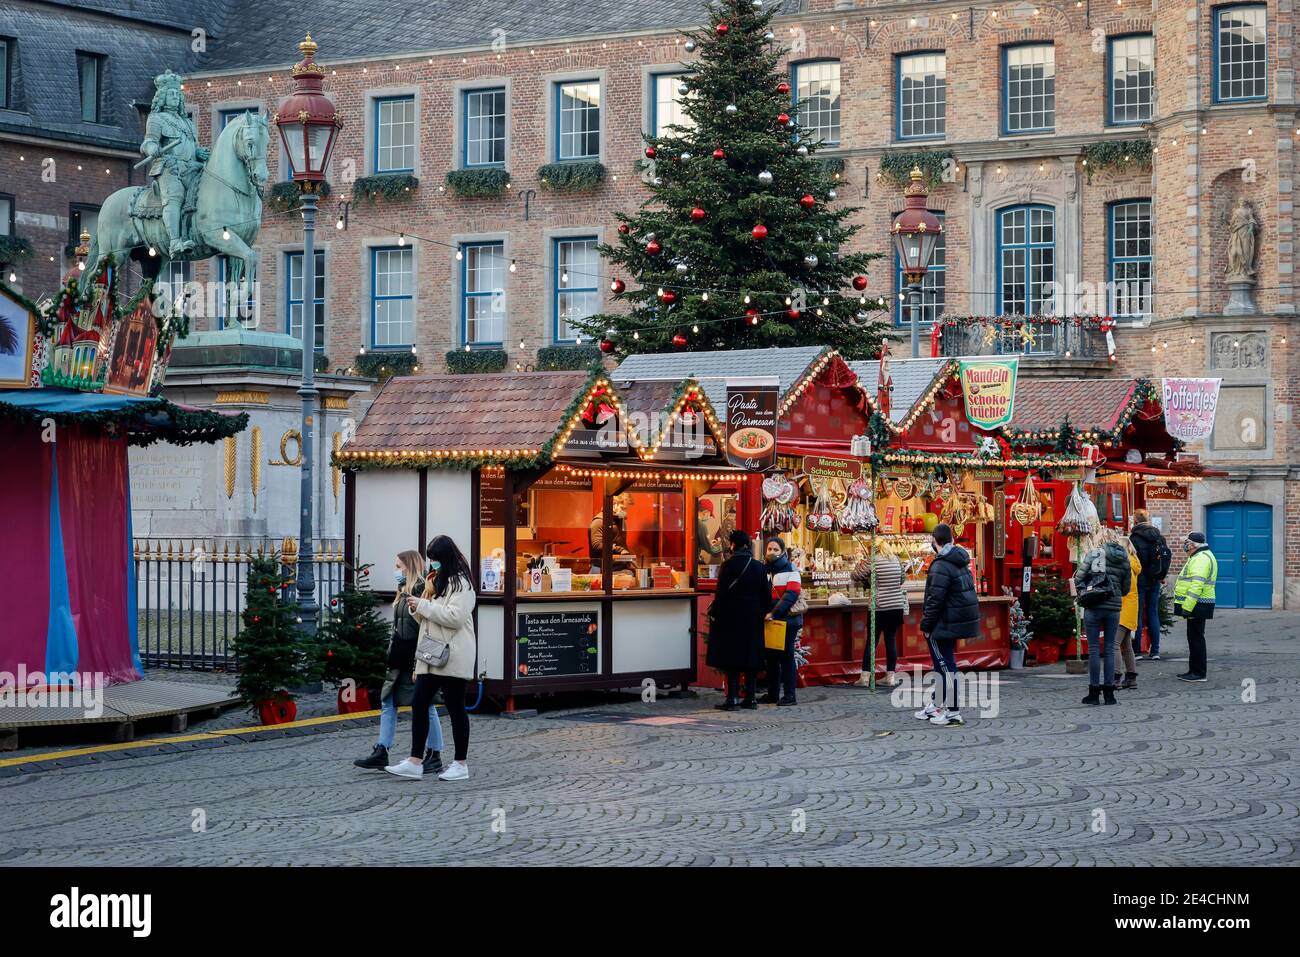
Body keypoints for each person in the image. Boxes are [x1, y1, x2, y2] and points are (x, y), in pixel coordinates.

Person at [385, 536, 477, 781]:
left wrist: (423, 606)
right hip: (431, 654)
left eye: (435, 559)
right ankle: (415, 760)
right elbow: (430, 622)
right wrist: (418, 609)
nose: (432, 563)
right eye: (430, 559)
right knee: (419, 702)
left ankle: (460, 763)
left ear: (445, 558)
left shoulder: (461, 583)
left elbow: (455, 617)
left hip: (453, 655)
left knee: (456, 707)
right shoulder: (436, 581)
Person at [354, 549, 445, 773]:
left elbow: (428, 629)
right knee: (388, 702)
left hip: (414, 658)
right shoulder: (402, 591)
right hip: (399, 656)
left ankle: (434, 753)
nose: (395, 570)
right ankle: (382, 750)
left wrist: (421, 662)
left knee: (425, 705)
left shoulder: (421, 590)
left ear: (409, 566)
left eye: (398, 566)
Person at [915, 523, 979, 727]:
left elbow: (935, 600)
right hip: (955, 620)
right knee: (942, 665)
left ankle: (953, 712)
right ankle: (934, 705)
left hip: (942, 624)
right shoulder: (959, 559)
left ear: (935, 541)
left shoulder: (940, 564)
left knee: (946, 666)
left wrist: (926, 626)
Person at [705, 530, 768, 710]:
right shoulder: (759, 567)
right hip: (753, 618)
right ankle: (751, 698)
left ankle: (732, 698)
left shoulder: (728, 566)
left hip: (731, 618)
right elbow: (765, 595)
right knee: (751, 658)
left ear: (733, 545)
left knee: (732, 658)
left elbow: (721, 593)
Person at [1073, 528, 1131, 705]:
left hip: (1095, 606)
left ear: (1101, 540)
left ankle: (1093, 692)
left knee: (1093, 649)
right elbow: (1126, 588)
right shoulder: (1124, 558)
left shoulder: (1096, 554)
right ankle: (1109, 694)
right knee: (1109, 649)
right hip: (1114, 609)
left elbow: (1079, 578)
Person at [854, 542, 908, 688]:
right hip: (896, 605)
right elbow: (902, 580)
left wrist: (860, 566)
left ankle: (865, 677)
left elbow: (856, 575)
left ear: (875, 548)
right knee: (891, 640)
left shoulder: (873, 559)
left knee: (872, 642)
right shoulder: (897, 560)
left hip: (878, 606)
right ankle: (890, 677)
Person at [762, 536, 803, 707]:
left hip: (787, 620)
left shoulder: (791, 569)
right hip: (770, 620)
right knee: (771, 658)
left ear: (782, 552)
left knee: (786, 657)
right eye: (769, 549)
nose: (772, 552)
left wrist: (774, 612)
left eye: (775, 550)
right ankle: (772, 693)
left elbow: (791, 595)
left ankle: (789, 695)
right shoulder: (765, 570)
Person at [1173, 531, 1218, 682]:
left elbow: (1197, 585)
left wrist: (1187, 607)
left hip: (1197, 604)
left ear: (1192, 545)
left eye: (1186, 542)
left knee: (1196, 638)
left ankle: (1198, 673)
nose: (1184, 545)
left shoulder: (1200, 559)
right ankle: (1194, 670)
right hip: (1198, 604)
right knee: (1194, 637)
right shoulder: (1200, 556)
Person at [1130, 508, 1170, 660]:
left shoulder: (1134, 538)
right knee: (1153, 613)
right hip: (1155, 579)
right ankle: (1156, 651)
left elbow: (1133, 559)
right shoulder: (1159, 536)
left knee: (1138, 614)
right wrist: (1161, 574)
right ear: (1149, 519)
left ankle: (1138, 651)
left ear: (1135, 520)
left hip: (1140, 580)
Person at [1116, 536, 1142, 690]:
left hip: (1123, 606)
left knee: (1114, 644)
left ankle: (1115, 678)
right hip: (1131, 606)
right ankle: (1131, 678)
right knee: (1126, 645)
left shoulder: (1124, 565)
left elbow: (1123, 588)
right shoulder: (1134, 562)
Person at [589, 492, 636, 573]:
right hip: (601, 570)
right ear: (614, 504)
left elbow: (622, 544)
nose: (625, 512)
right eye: (623, 508)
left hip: (618, 568)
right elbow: (597, 545)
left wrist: (629, 562)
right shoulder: (599, 522)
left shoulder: (620, 521)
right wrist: (620, 550)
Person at [695, 499, 723, 567]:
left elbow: (699, 542)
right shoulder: (701, 526)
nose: (708, 517)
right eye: (709, 515)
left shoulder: (692, 521)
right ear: (705, 512)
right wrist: (721, 547)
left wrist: (708, 542)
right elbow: (710, 549)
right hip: (694, 561)